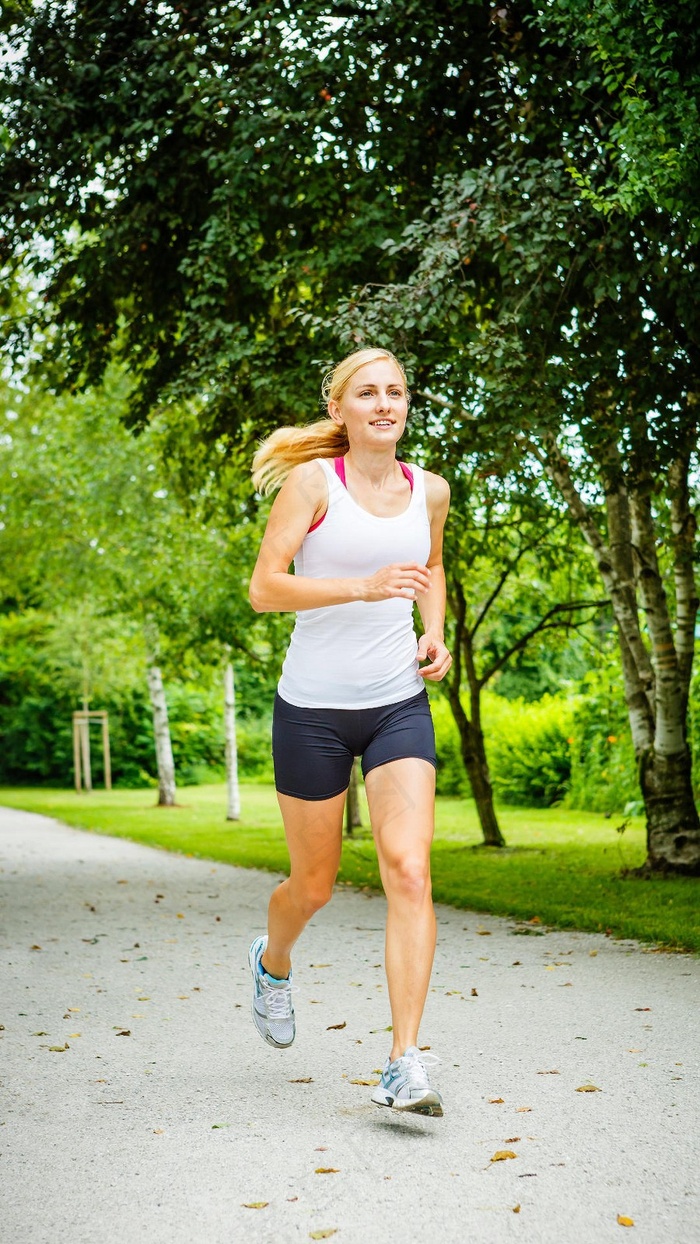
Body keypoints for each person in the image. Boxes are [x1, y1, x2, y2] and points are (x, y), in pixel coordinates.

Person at [247, 347, 451, 1116]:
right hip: (313, 710)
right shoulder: (312, 484)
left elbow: (431, 571)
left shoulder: (429, 491)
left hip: (398, 702)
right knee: (314, 885)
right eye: (367, 392)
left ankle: (404, 1060)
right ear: (339, 410)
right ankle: (272, 963)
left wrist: (434, 633)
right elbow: (265, 588)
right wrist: (360, 588)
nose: (384, 403)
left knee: (409, 870)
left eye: (396, 390)